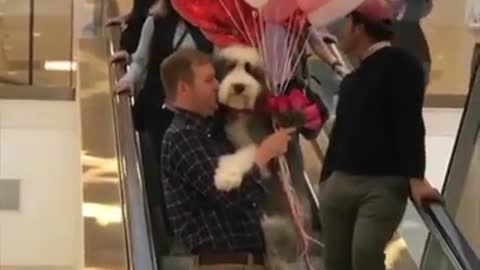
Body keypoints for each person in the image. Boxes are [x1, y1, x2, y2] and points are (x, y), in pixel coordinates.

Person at [317, 1, 442, 270]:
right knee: (335, 262)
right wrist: (326, 179)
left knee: (365, 254)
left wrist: (416, 179)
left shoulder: (403, 64)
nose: (340, 33)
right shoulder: (353, 80)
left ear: (360, 27)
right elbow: (340, 135)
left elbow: (409, 123)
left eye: (346, 24)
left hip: (381, 185)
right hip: (341, 183)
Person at [159, 48, 294, 269]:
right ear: (184, 88)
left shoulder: (212, 132)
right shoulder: (181, 137)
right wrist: (263, 154)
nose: (217, 86)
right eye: (208, 80)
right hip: (223, 262)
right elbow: (230, 195)